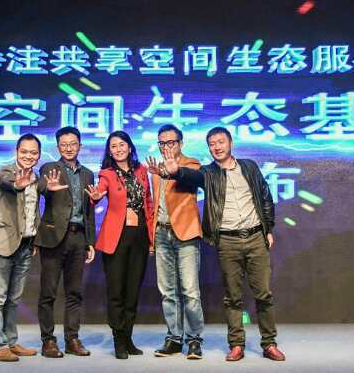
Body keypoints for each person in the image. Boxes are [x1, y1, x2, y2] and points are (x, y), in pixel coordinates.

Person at [161, 126, 286, 362]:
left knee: (263, 294)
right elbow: (191, 176)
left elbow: (265, 197)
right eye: (212, 144)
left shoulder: (249, 167)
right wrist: (176, 171)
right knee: (232, 297)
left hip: (255, 238)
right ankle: (236, 344)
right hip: (227, 240)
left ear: (230, 143)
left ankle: (269, 343)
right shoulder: (208, 173)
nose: (216, 147)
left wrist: (268, 229)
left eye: (220, 142)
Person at [85, 131, 154, 359]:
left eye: (122, 144)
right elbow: (99, 191)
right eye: (113, 146)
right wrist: (95, 196)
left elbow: (148, 204)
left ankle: (128, 337)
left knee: (133, 291)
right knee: (116, 291)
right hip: (116, 237)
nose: (118, 149)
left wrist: (152, 238)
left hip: (140, 236)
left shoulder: (141, 170)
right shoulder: (106, 173)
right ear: (109, 151)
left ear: (130, 147)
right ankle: (118, 340)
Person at [35, 126, 96, 358]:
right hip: (53, 238)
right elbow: (40, 188)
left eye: (73, 144)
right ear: (58, 147)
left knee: (74, 293)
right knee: (48, 293)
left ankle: (72, 339)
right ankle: (48, 341)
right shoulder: (49, 168)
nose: (69, 148)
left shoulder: (88, 174)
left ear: (80, 145)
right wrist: (46, 187)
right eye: (64, 145)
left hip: (78, 238)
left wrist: (90, 241)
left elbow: (89, 211)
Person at [145, 124, 205, 359]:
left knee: (190, 291)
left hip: (186, 233)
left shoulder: (192, 164)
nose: (166, 147)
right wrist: (152, 238)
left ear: (181, 143)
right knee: (168, 291)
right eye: (162, 143)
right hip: (162, 233)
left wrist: (173, 171)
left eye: (171, 142)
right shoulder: (155, 169)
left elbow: (193, 179)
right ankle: (174, 338)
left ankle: (194, 339)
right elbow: (154, 205)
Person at [0, 133, 42, 362]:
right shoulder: (5, 172)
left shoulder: (36, 177)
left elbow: (33, 211)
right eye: (24, 151)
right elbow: (9, 183)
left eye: (33, 152)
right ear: (16, 152)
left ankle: (11, 341)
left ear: (39, 155)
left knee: (14, 299)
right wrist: (18, 184)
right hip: (3, 244)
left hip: (26, 245)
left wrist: (34, 238)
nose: (29, 156)